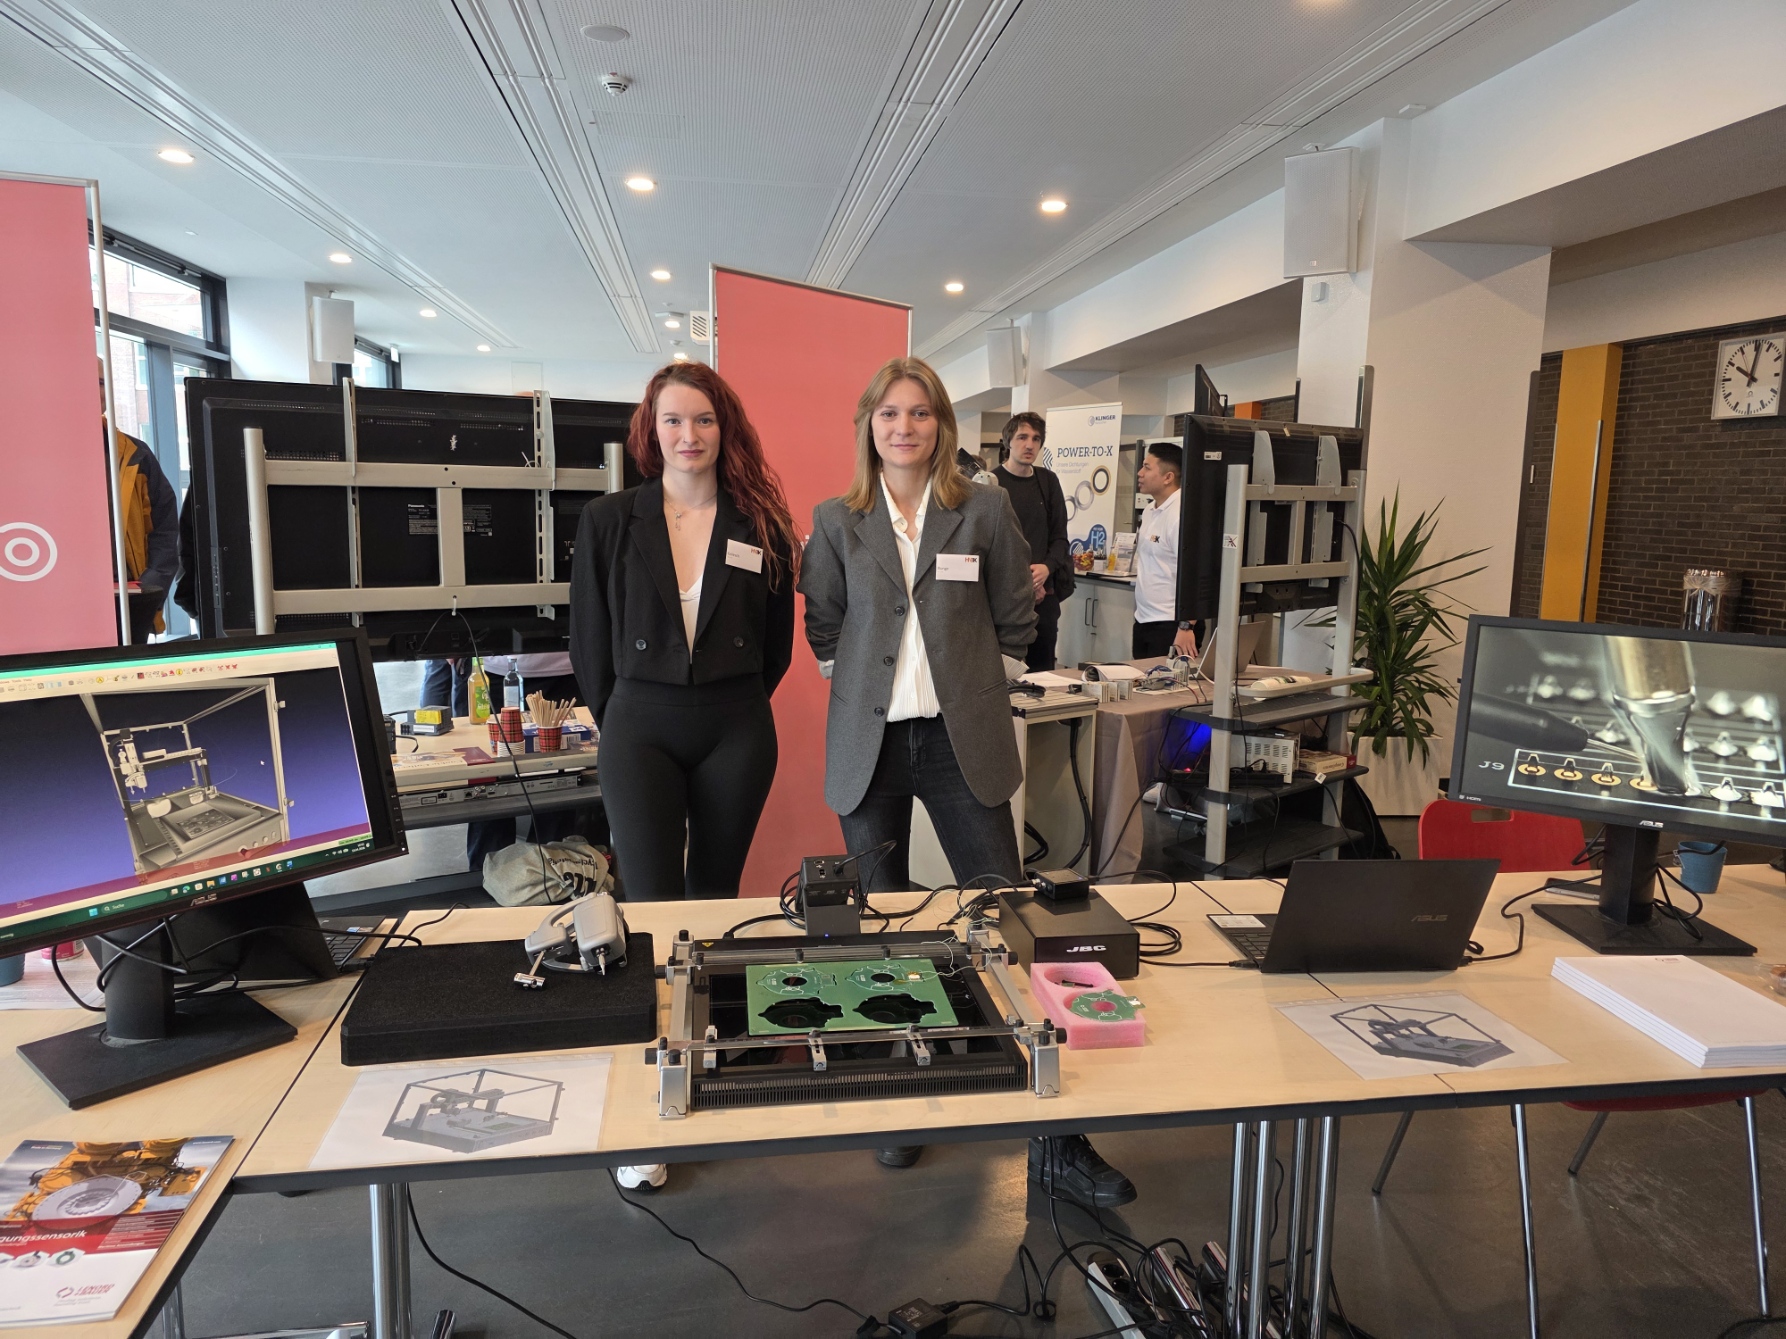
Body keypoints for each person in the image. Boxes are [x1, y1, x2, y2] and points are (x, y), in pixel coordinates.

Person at [800, 357, 1136, 1207]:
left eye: (919, 413)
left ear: (941, 425)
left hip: (963, 742)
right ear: (868, 425)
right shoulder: (837, 519)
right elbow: (823, 619)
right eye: (888, 413)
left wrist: (991, 679)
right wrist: (863, 681)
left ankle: (1056, 1138)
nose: (903, 427)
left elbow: (1016, 610)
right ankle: (906, 1093)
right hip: (870, 745)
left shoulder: (981, 508)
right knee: (882, 931)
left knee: (1005, 919)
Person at [569, 361, 798, 906]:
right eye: (673, 420)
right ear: (651, 429)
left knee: (717, 895)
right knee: (651, 899)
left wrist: (732, 696)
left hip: (736, 728)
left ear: (725, 427)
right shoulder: (608, 519)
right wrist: (624, 711)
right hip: (638, 728)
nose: (688, 436)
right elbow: (588, 641)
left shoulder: (762, 523)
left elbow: (777, 644)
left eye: (704, 420)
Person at [993, 412, 1073, 671]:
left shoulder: (1047, 481)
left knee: (1043, 674)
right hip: (1003, 598)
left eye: (1036, 439)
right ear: (1008, 441)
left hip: (1043, 597)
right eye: (1022, 437)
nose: (1029, 445)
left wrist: (1047, 568)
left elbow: (1060, 537)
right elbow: (987, 544)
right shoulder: (991, 483)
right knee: (1003, 672)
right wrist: (1024, 581)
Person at [1132, 441, 1197, 661]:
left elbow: (1195, 574)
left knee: (1167, 684)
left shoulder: (1181, 514)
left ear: (1168, 477)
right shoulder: (1150, 510)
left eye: (1147, 467)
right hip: (1144, 620)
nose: (1140, 473)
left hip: (1172, 625)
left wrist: (1187, 626)